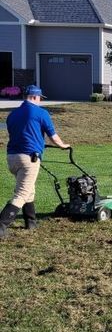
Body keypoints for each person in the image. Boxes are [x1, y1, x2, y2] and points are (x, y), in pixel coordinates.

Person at [0, 85, 70, 237]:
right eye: (40, 98)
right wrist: (64, 145)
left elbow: (21, 134)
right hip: (29, 158)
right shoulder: (41, 113)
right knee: (22, 193)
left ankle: (31, 222)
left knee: (29, 190)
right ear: (34, 97)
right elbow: (53, 136)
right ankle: (1, 225)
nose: (40, 101)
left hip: (12, 157)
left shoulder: (12, 114)